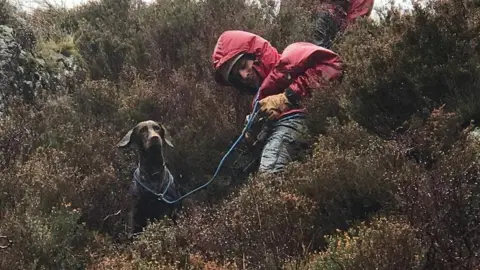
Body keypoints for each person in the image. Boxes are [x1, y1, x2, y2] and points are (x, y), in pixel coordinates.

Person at [211, 30, 343, 174]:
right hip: (309, 137)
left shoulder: (291, 56)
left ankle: (271, 190)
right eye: (237, 76)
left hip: (313, 119)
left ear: (256, 55)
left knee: (270, 169)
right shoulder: (260, 100)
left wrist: (288, 97)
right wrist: (252, 134)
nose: (244, 75)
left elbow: (333, 64)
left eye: (243, 65)